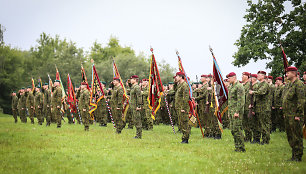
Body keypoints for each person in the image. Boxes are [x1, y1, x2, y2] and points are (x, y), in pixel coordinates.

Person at [282, 66, 305, 162]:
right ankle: (294, 154)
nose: (286, 74)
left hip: (295, 115)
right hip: (288, 114)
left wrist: (298, 114)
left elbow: (301, 100)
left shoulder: (299, 84)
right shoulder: (289, 85)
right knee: (290, 135)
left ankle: (298, 156)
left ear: (294, 73)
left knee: (296, 135)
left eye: (288, 72)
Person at [249, 71, 270, 145]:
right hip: (258, 107)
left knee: (264, 125)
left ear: (263, 76)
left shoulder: (265, 84)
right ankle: (258, 139)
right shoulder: (259, 84)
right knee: (258, 125)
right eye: (257, 74)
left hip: (264, 108)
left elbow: (261, 92)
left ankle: (265, 141)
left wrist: (253, 92)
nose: (257, 76)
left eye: (259, 75)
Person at [227, 72, 246, 152]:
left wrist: (237, 111)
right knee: (233, 130)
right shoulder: (231, 87)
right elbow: (230, 100)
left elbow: (241, 101)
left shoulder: (239, 86)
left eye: (229, 78)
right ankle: (237, 146)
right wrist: (229, 112)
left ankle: (241, 147)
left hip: (236, 111)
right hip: (231, 111)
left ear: (234, 77)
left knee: (237, 129)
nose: (228, 79)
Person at [174, 72, 191, 143]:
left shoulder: (184, 85)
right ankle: (184, 137)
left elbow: (186, 97)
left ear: (181, 77)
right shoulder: (180, 85)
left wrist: (183, 108)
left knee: (185, 123)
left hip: (183, 108)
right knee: (181, 123)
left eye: (177, 76)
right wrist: (175, 83)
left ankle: (185, 139)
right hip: (179, 107)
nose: (175, 78)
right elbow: (175, 90)